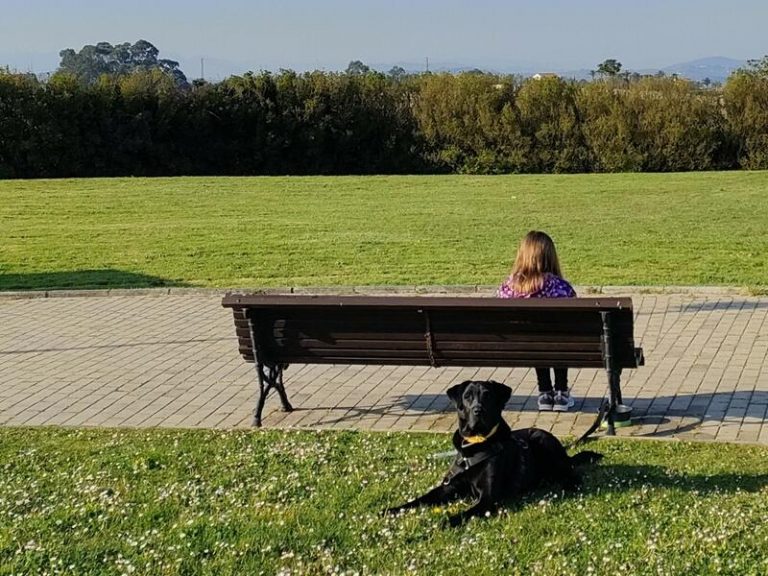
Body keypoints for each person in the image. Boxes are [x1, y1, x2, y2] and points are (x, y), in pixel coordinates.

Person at [497, 230, 577, 412]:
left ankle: (545, 391)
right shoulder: (560, 287)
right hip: (560, 345)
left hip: (521, 346)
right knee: (559, 337)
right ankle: (561, 392)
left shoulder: (508, 288)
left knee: (535, 338)